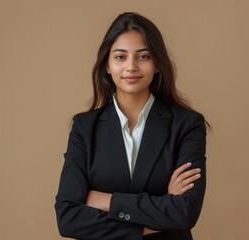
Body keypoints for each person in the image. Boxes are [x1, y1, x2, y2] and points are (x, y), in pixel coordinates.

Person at [55, 12, 207, 240]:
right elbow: (68, 219)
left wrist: (103, 200)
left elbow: (185, 212)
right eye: (120, 57)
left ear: (157, 64)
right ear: (107, 65)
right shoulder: (84, 128)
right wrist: (161, 207)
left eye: (143, 56)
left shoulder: (186, 125)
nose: (131, 66)